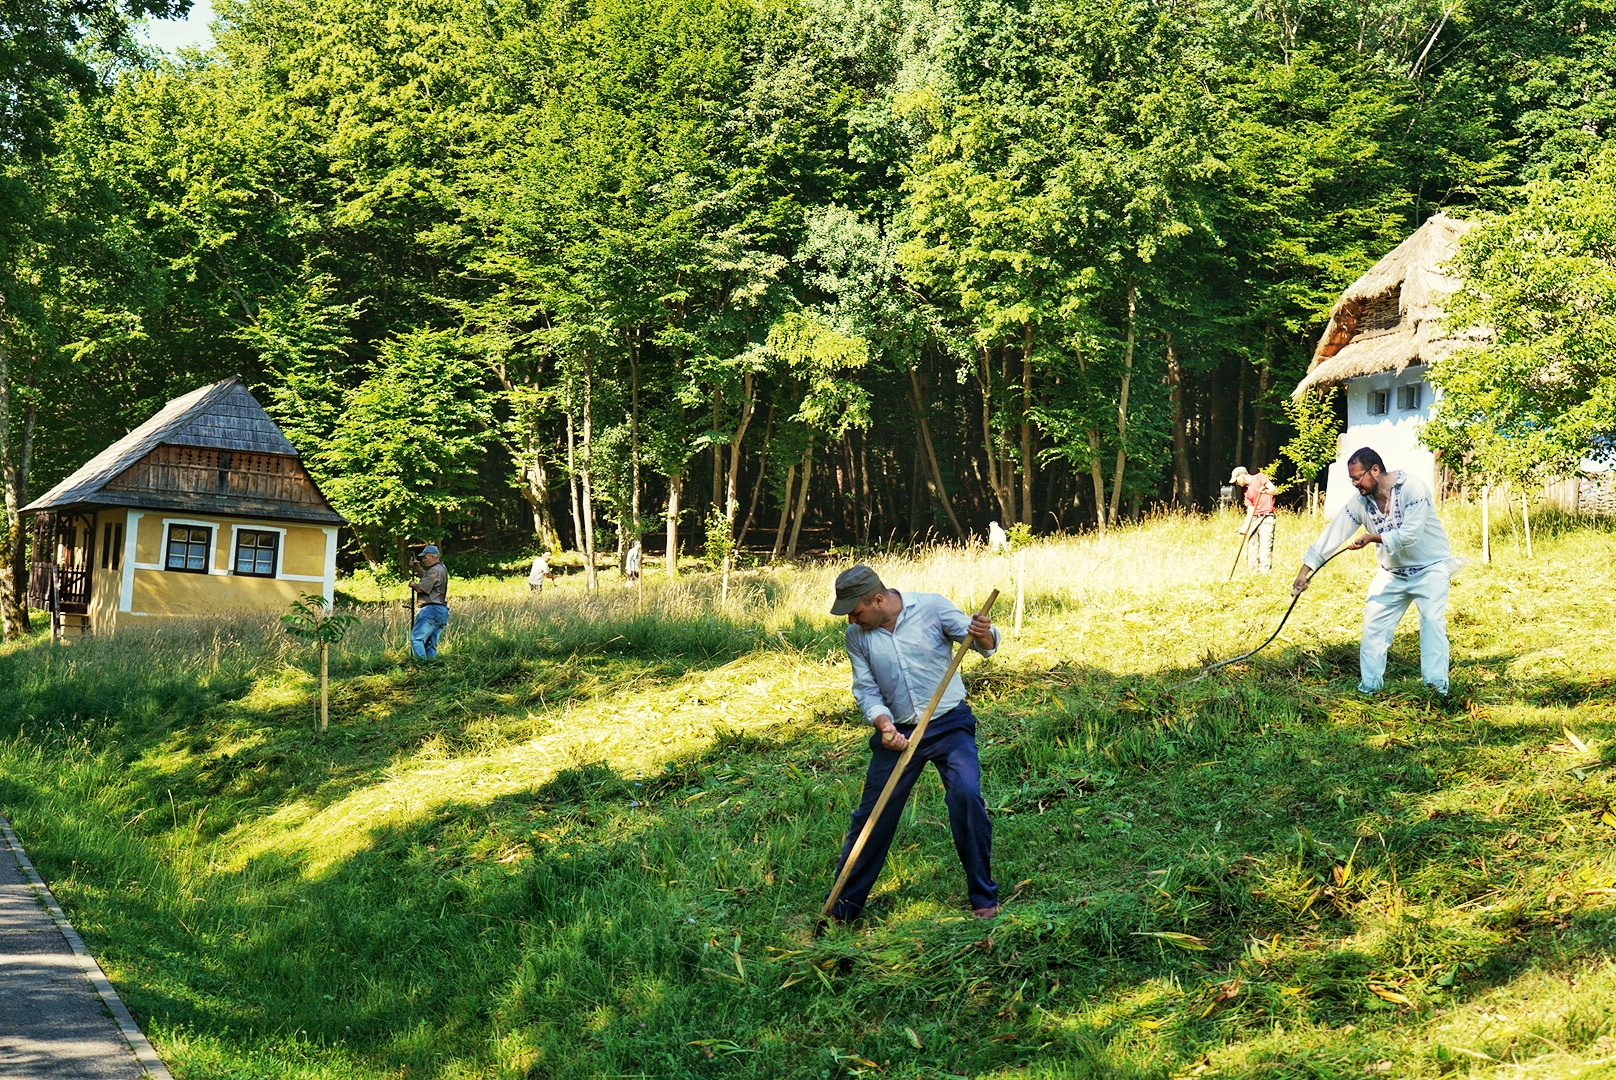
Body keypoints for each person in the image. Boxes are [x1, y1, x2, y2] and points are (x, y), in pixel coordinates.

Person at [825, 564, 1001, 921]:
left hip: (948, 724)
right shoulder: (857, 637)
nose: (851, 621)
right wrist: (884, 724)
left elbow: (984, 643)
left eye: (856, 612)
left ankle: (983, 896)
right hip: (898, 734)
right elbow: (866, 689)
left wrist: (983, 633)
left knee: (967, 796)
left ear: (877, 600)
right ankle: (841, 910)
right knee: (873, 816)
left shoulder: (932, 608)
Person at [1292, 447, 1456, 695]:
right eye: (1352, 479)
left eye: (1357, 477)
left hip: (1430, 569)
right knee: (1373, 627)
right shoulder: (1360, 503)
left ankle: (1436, 689)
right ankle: (1370, 687)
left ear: (1376, 470)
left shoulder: (1413, 488)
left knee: (1432, 624)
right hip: (1392, 573)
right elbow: (1332, 534)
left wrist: (1372, 537)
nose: (1355, 483)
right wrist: (1305, 571)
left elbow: (1411, 534)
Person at [1230, 466, 1278, 574]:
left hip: (1267, 518)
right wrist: (1245, 527)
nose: (1236, 483)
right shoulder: (1247, 492)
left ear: (1242, 475)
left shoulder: (1260, 477)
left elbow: (1274, 490)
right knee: (1252, 548)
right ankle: (1254, 575)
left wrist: (1264, 491)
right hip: (1255, 520)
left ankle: (1265, 576)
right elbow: (1250, 511)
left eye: (1236, 480)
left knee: (1265, 549)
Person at [409, 545, 450, 659]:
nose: (423, 560)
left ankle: (421, 666)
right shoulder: (440, 568)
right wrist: (417, 567)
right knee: (430, 644)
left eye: (425, 557)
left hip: (431, 610)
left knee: (416, 639)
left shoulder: (434, 570)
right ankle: (432, 668)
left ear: (433, 556)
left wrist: (413, 585)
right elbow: (426, 578)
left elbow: (421, 588)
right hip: (440, 610)